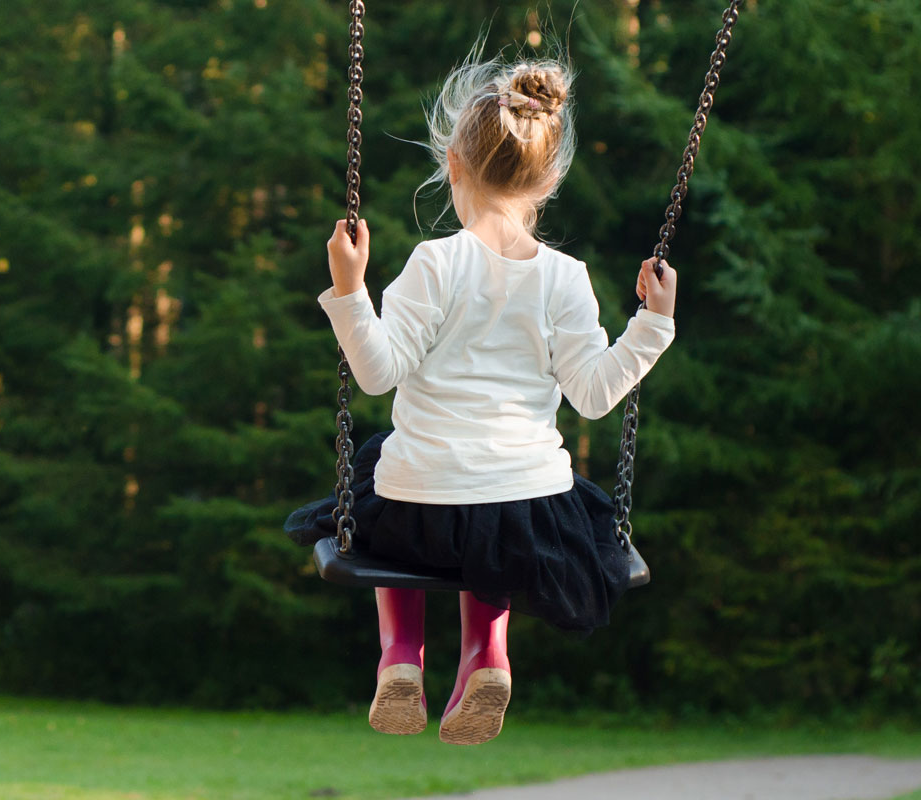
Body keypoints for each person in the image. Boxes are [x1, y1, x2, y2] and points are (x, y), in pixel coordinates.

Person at [284, 49, 677, 745]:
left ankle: (401, 657)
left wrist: (349, 290)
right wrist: (652, 325)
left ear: (454, 168)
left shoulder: (434, 263)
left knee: (383, 472)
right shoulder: (566, 277)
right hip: (527, 512)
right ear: (549, 178)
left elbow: (375, 372)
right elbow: (592, 396)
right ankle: (487, 656)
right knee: (495, 524)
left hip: (419, 507)